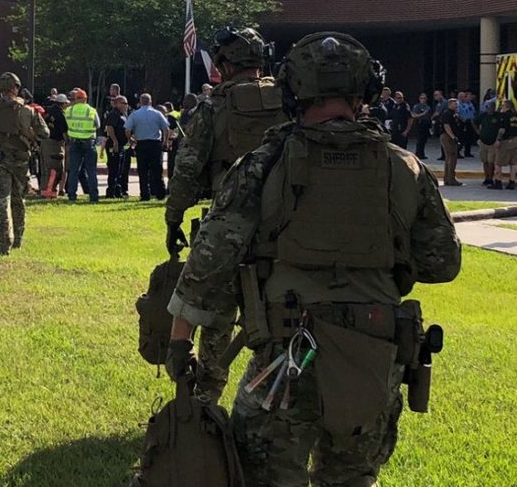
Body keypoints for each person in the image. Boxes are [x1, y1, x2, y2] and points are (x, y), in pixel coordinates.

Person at [166, 31, 461, 487]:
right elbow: (443, 263)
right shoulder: (405, 167)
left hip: (286, 360)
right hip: (373, 356)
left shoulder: (263, 164)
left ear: (292, 91)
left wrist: (179, 343)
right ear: (364, 92)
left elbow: (209, 262)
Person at [164, 26, 286, 401]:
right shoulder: (289, 100)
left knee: (216, 313)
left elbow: (187, 169)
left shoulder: (213, 106)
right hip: (285, 224)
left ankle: (207, 398)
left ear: (224, 64)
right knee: (282, 312)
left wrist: (174, 218)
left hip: (228, 221)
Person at [0, 72, 49, 254]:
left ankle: (4, 242)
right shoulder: (27, 111)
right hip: (20, 161)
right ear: (16, 87)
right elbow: (45, 133)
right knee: (18, 200)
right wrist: (29, 134)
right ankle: (18, 238)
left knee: (1, 202)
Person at [124, 93, 169, 201]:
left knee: (143, 171)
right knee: (157, 170)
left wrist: (131, 140)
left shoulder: (135, 114)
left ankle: (145, 194)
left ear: (140, 102)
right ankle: (160, 193)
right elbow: (166, 128)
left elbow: (127, 130)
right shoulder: (157, 113)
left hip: (141, 144)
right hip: (155, 144)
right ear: (150, 101)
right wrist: (165, 141)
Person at [64, 88, 100, 203]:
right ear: (85, 98)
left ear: (75, 99)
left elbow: (66, 124)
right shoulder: (91, 110)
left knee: (74, 170)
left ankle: (71, 195)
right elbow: (98, 125)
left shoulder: (69, 110)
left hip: (74, 142)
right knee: (91, 171)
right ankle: (93, 196)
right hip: (88, 142)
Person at [40, 93, 70, 196]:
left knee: (45, 168)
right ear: (63, 104)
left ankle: (44, 189)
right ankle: (50, 191)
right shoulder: (60, 114)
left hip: (44, 142)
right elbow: (64, 132)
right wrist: (68, 142)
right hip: (55, 144)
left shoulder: (47, 110)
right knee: (55, 168)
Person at [104, 95, 131, 198]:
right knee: (114, 168)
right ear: (118, 103)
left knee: (119, 169)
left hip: (121, 145)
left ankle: (117, 191)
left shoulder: (123, 114)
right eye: (124, 103)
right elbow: (110, 128)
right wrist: (114, 141)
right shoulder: (114, 114)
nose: (126, 106)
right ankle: (111, 191)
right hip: (114, 145)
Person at [475, 99, 504, 186]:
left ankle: (491, 178)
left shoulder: (498, 116)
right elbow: (474, 122)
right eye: (487, 107)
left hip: (493, 143)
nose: (489, 108)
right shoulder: (483, 115)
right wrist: (478, 132)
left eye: (491, 107)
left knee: (491, 162)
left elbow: (502, 128)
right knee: (485, 161)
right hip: (483, 142)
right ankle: (486, 178)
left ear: (494, 107)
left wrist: (498, 139)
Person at [491, 99, 517, 190]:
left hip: (506, 141)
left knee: (498, 162)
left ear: (506, 107)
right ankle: (512, 182)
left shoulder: (504, 116)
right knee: (514, 163)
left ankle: (498, 182)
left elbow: (502, 129)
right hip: (515, 140)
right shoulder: (515, 115)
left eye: (502, 105)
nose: (501, 107)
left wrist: (498, 139)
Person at [440, 97, 462, 186]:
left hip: (450, 136)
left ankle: (447, 178)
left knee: (449, 158)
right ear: (449, 104)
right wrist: (453, 137)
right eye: (455, 104)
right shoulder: (447, 113)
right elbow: (446, 126)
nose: (456, 105)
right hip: (447, 137)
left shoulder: (454, 113)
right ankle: (451, 179)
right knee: (451, 158)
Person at [409, 91, 432, 159]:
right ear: (419, 99)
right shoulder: (417, 106)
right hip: (420, 123)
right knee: (420, 140)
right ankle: (418, 154)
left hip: (426, 124)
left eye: (424, 98)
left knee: (424, 140)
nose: (423, 99)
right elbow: (414, 115)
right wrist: (423, 113)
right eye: (422, 98)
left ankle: (422, 154)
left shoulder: (427, 106)